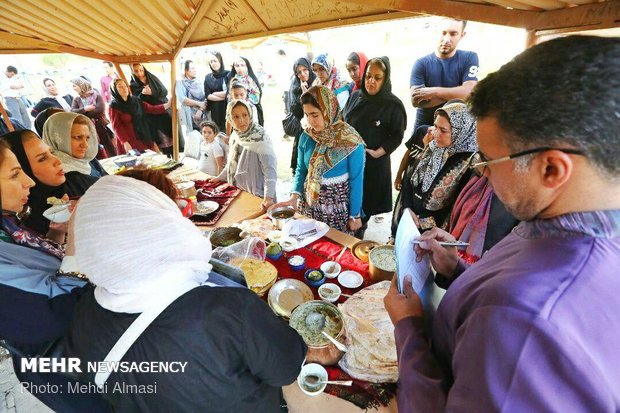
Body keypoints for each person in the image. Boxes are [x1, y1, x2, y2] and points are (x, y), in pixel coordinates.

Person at [385, 35, 620, 413]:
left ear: (551, 168)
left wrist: (409, 328)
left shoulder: (522, 322)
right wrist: (456, 271)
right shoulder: (561, 226)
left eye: (489, 160)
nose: (482, 174)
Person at [65, 175, 306, 412]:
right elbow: (287, 367)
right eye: (175, 211)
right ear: (162, 226)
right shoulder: (227, 311)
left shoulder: (83, 313)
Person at [0, 137, 111, 413]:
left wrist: (56, 235)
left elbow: (33, 270)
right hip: (62, 364)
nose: (29, 182)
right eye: (15, 174)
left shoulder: (8, 225)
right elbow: (58, 309)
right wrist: (75, 235)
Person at [274, 85, 364, 234]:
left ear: (329, 111)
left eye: (315, 115)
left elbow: (356, 180)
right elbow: (301, 170)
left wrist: (355, 215)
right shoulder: (306, 136)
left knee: (333, 248)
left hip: (336, 208)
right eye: (306, 115)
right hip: (309, 205)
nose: (310, 121)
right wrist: (294, 195)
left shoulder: (351, 141)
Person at [343, 56, 406, 237]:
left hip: (372, 165)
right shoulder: (355, 96)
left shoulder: (392, 105)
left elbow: (397, 135)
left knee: (363, 210)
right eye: (369, 76)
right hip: (348, 160)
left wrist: (379, 152)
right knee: (348, 203)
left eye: (377, 78)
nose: (371, 81)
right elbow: (343, 119)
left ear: (385, 79)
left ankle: (357, 238)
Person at [392, 102, 477, 234]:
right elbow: (410, 177)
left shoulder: (469, 164)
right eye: (435, 126)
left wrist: (421, 224)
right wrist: (407, 208)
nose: (435, 133)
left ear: (462, 132)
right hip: (409, 219)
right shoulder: (433, 147)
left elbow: (456, 210)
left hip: (434, 234)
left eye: (443, 130)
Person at [410, 18, 479, 133]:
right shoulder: (421, 63)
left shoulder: (469, 58)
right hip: (424, 129)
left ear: (462, 35)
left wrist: (433, 92)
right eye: (443, 32)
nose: (446, 39)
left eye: (453, 34)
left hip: (456, 131)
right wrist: (457, 94)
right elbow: (416, 100)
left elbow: (469, 94)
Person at [2, 129, 68, 239]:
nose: (57, 160)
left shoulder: (72, 188)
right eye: (42, 159)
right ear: (23, 166)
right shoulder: (20, 222)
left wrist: (58, 232)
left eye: (51, 152)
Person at [217, 100, 276, 210]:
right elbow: (231, 162)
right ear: (230, 119)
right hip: (239, 193)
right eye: (236, 117)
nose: (241, 120)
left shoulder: (260, 138)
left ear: (250, 115)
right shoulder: (236, 135)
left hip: (259, 196)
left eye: (245, 115)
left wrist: (268, 197)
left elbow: (270, 170)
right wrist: (219, 178)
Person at [43, 112, 107, 196]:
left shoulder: (87, 160)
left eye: (87, 138)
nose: (85, 145)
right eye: (77, 137)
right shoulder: (59, 177)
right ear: (58, 138)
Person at [109, 78, 169, 153]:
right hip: (129, 142)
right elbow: (117, 127)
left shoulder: (135, 101)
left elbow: (151, 109)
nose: (124, 88)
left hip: (143, 137)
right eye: (120, 87)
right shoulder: (114, 106)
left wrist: (168, 105)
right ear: (115, 90)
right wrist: (125, 142)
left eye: (125, 86)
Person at [130, 63, 178, 155]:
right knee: (162, 143)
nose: (139, 73)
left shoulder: (152, 78)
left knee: (173, 139)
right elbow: (137, 102)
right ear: (132, 72)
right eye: (136, 71)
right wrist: (143, 94)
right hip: (151, 117)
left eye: (141, 70)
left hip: (164, 112)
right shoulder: (133, 86)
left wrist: (152, 92)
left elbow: (164, 91)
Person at [70, 77, 117, 157]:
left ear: (81, 85)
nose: (73, 88)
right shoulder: (77, 99)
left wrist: (83, 113)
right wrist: (85, 109)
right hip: (87, 129)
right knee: (96, 150)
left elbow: (99, 111)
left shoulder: (97, 96)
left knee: (109, 149)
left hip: (100, 127)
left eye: (75, 86)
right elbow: (73, 112)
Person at [284, 57, 316, 174]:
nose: (302, 74)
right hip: (303, 130)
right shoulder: (295, 87)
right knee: (302, 166)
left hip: (318, 129)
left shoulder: (317, 82)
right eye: (298, 72)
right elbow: (296, 112)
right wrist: (303, 94)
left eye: (305, 70)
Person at [227, 56, 264, 126]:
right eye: (237, 66)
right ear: (234, 67)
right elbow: (229, 95)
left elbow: (256, 95)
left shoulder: (250, 79)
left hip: (250, 109)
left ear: (247, 66)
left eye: (242, 65)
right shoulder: (232, 79)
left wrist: (246, 103)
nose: (240, 68)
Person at [176, 60, 206, 132]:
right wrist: (199, 104)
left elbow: (206, 98)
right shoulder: (180, 83)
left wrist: (200, 110)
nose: (195, 70)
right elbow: (182, 99)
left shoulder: (200, 82)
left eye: (195, 68)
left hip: (202, 116)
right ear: (186, 70)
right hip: (188, 117)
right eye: (192, 68)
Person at [203, 51, 230, 132]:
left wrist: (215, 94)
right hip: (215, 112)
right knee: (218, 134)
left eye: (215, 61)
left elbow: (230, 92)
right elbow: (208, 95)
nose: (213, 63)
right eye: (211, 61)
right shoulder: (208, 77)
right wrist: (223, 97)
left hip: (227, 109)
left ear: (220, 61)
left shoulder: (228, 74)